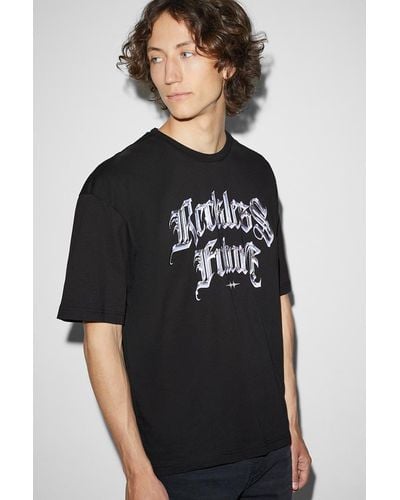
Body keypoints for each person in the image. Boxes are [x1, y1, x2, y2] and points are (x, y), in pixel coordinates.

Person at [56, 0, 312, 498]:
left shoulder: (257, 174)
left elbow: (277, 307)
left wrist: (291, 426)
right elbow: (101, 338)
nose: (169, 74)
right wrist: (136, 470)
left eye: (187, 53)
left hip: (270, 454)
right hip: (181, 467)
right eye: (156, 57)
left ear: (228, 62)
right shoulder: (115, 186)